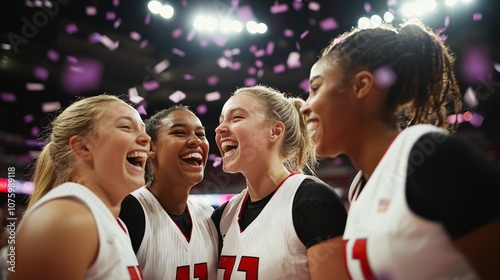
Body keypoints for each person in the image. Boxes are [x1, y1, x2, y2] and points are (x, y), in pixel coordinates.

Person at [300, 19, 500, 280]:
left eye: (315, 88)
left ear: (361, 86)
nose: (305, 106)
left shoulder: (433, 157)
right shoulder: (360, 186)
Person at [212, 85, 349, 279]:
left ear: (275, 131)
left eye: (236, 118)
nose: (220, 129)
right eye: (220, 121)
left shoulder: (313, 201)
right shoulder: (224, 215)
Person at [10, 95, 150, 280]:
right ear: (83, 147)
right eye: (126, 127)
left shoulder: (113, 222)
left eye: (143, 129)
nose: (146, 138)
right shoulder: (67, 219)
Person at [119, 105, 219, 279]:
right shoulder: (128, 211)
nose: (195, 141)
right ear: (150, 148)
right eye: (180, 132)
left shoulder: (210, 216)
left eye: (201, 134)